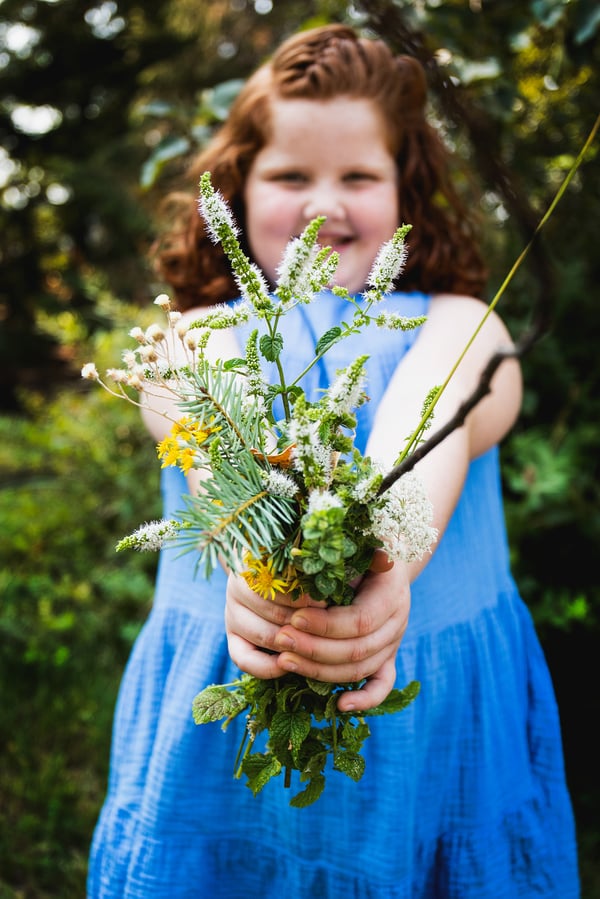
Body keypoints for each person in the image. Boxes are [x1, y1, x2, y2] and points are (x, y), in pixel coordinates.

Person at [87, 24, 579, 898]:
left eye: (358, 176)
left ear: (406, 193)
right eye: (289, 177)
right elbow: (212, 432)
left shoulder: (459, 323)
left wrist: (383, 551)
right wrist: (266, 555)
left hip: (436, 726)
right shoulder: (190, 338)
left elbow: (432, 423)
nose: (325, 204)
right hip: (229, 731)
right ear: (234, 193)